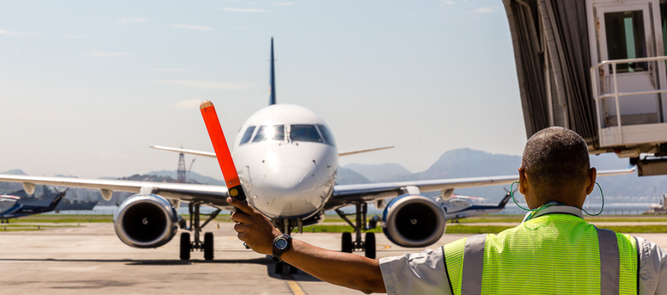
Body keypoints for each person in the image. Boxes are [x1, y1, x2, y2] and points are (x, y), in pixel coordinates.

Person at [230, 126, 667, 294]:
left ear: (522, 180)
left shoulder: (473, 257)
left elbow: (368, 277)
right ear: (591, 181)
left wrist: (277, 244)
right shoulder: (637, 258)